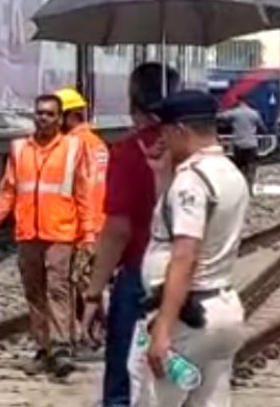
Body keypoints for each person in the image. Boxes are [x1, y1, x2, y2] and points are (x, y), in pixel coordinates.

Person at [130, 90, 250, 407]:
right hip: (222, 309)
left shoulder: (191, 181)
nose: (162, 138)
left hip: (188, 320)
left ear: (181, 129)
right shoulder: (229, 173)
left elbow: (184, 255)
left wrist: (163, 329)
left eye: (165, 131)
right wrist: (162, 171)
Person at [82, 63, 180, 407]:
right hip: (188, 272)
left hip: (140, 273)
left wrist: (94, 294)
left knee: (123, 373)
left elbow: (117, 231)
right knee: (179, 372)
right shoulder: (191, 152)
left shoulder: (127, 153)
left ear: (132, 103)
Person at [0, 93, 88, 380]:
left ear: (60, 118)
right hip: (29, 233)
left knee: (58, 289)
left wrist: (88, 235)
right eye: (39, 113)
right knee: (34, 294)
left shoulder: (73, 149)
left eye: (50, 114)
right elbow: (8, 191)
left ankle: (61, 347)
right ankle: (43, 348)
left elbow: (83, 195)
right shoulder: (19, 149)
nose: (43, 118)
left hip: (61, 232)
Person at [54, 86, 108, 357]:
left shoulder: (75, 144)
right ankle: (96, 331)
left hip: (85, 225)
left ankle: (90, 334)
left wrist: (83, 229)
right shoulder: (97, 143)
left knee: (81, 283)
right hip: (100, 222)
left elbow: (82, 189)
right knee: (89, 281)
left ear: (69, 116)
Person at [218, 99, 264, 187]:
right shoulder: (254, 113)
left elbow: (220, 117)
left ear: (239, 104)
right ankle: (249, 186)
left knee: (239, 167)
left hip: (238, 144)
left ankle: (240, 187)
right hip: (251, 144)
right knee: (250, 167)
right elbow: (261, 127)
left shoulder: (234, 113)